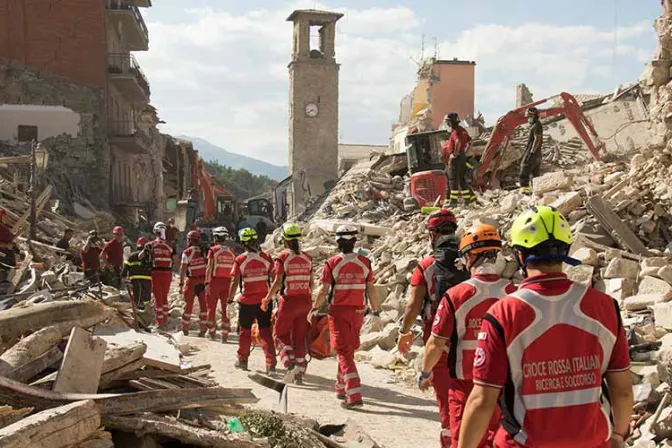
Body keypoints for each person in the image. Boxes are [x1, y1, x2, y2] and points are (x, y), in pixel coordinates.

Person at [458, 206, 634, 448]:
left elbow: (482, 401)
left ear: (520, 255)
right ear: (565, 251)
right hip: (592, 442)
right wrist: (619, 435)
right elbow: (622, 391)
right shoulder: (605, 307)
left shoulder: (503, 313)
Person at [419, 225, 515, 448]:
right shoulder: (514, 293)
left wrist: (426, 372)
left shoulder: (456, 295)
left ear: (469, 256)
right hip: (505, 389)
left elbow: (435, 343)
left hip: (467, 387)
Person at [396, 208, 469, 446]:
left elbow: (412, 307)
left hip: (438, 338)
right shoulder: (470, 260)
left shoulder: (426, 265)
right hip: (472, 337)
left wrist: (403, 333)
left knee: (447, 403)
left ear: (432, 234)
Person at [310, 225, 381, 409]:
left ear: (338, 242)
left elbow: (324, 291)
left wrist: (314, 308)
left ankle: (354, 393)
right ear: (354, 242)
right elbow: (371, 289)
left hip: (339, 312)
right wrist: (376, 310)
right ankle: (341, 387)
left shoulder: (332, 263)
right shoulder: (364, 263)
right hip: (358, 312)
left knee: (342, 351)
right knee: (348, 350)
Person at [262, 223, 313, 385]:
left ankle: (289, 363)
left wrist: (267, 299)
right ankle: (299, 371)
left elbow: (277, 282)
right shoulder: (307, 258)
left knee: (280, 335)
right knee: (299, 338)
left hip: (289, 302)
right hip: (305, 301)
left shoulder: (283, 258)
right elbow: (311, 283)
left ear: (284, 240)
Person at [229, 227, 276, 374]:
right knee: (265, 331)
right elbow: (275, 277)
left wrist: (230, 299)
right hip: (265, 301)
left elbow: (235, 281)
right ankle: (270, 364)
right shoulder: (266, 257)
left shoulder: (240, 260)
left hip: (247, 302)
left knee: (245, 331)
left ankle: (242, 360)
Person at [205, 227, 236, 342]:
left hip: (214, 281)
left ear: (216, 237)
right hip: (228, 282)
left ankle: (212, 332)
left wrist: (206, 282)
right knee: (225, 309)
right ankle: (224, 335)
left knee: (211, 308)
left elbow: (209, 267)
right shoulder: (231, 251)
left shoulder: (213, 250)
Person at [441, 113, 475, 207]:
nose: (447, 123)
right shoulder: (462, 130)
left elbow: (458, 141)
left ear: (451, 122)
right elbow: (470, 141)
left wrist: (454, 154)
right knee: (461, 179)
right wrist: (464, 152)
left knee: (453, 180)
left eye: (448, 122)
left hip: (456, 159)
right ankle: (467, 200)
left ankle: (453, 202)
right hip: (462, 157)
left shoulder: (455, 131)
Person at [180, 231, 208, 337]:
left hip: (192, 281)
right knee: (204, 307)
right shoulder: (204, 250)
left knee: (188, 306)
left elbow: (183, 269)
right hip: (203, 281)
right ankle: (203, 330)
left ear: (190, 240)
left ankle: (185, 329)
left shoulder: (187, 252)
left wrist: (181, 284)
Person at [150, 222, 177, 327]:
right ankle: (164, 320)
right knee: (164, 296)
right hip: (167, 273)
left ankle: (159, 323)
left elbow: (142, 257)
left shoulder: (151, 245)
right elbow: (176, 259)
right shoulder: (170, 246)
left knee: (158, 298)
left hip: (156, 273)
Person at [121, 237, 152, 310]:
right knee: (146, 296)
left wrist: (123, 276)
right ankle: (146, 309)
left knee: (137, 295)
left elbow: (126, 267)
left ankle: (139, 309)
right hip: (147, 280)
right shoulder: (150, 257)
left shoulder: (132, 256)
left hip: (135, 280)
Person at [519, 107, 543, 195]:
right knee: (535, 175)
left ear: (534, 116)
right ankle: (536, 192)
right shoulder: (536, 125)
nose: (527, 119)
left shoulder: (536, 125)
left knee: (524, 172)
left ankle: (525, 193)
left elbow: (537, 139)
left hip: (533, 154)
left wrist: (531, 153)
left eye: (529, 116)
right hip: (537, 155)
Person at [0, 208, 17, 283]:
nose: (6, 218)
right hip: (2, 252)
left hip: (7, 251)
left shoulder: (3, 226)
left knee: (9, 268)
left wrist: (18, 233)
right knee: (5, 268)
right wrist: (7, 245)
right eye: (5, 216)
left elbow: (10, 238)